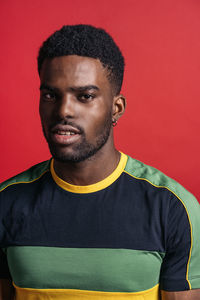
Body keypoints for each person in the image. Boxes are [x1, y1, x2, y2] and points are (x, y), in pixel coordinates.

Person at [0, 25, 200, 300]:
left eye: (85, 96)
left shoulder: (173, 208)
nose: (64, 110)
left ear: (116, 108)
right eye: (50, 95)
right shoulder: (6, 202)